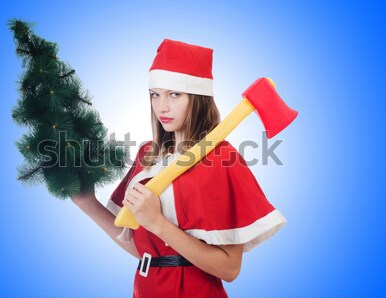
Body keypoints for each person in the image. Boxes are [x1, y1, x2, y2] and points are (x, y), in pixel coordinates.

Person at [72, 38, 287, 298]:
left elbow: (230, 269)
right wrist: (88, 203)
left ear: (197, 97)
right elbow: (143, 250)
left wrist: (158, 223)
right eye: (155, 94)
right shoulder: (147, 155)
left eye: (175, 94)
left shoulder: (223, 159)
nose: (162, 106)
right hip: (145, 289)